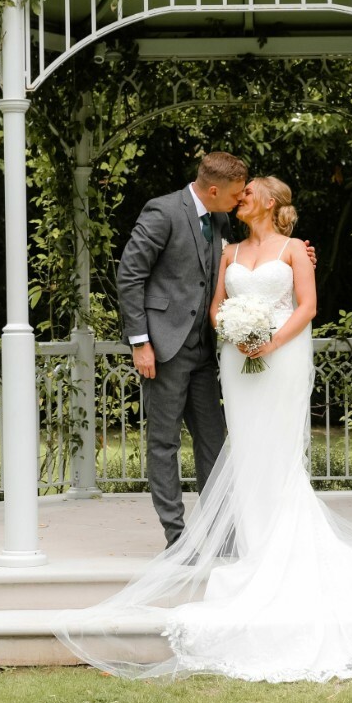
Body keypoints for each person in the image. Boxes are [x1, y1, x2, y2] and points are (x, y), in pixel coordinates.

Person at [56, 176, 352, 682]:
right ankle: (240, 540)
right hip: (234, 357)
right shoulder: (225, 246)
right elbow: (211, 304)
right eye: (239, 191)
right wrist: (233, 331)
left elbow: (308, 307)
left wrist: (268, 342)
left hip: (282, 357)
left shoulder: (295, 249)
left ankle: (277, 545)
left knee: (276, 447)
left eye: (250, 192)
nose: (242, 197)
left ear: (270, 202)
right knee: (244, 447)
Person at [117, 151, 247, 548]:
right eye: (235, 195)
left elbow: (241, 259)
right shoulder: (163, 212)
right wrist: (140, 342)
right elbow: (129, 275)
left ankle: (221, 535)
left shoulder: (219, 217)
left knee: (214, 441)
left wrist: (296, 255)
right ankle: (176, 536)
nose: (239, 202)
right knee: (164, 442)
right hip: (163, 348)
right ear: (212, 189)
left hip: (203, 352)